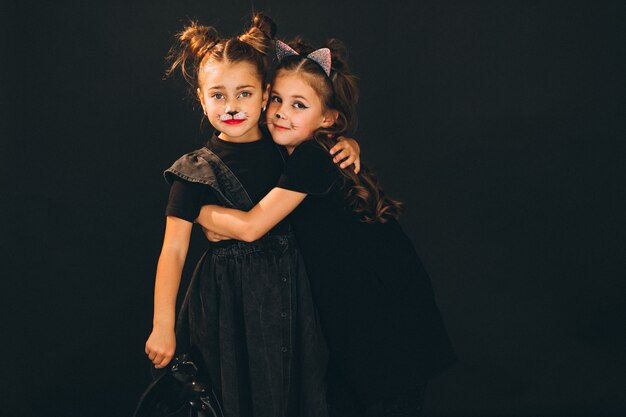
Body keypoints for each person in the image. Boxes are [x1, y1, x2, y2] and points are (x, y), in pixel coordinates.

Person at [195, 38, 457, 417]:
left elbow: (252, 227)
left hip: (384, 309)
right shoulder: (285, 153)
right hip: (350, 309)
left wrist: (199, 211)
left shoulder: (313, 156)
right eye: (277, 101)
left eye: (299, 105)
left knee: (387, 397)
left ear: (329, 118)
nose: (282, 113)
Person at [143, 15, 361, 417]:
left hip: (293, 295)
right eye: (218, 96)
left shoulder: (287, 148)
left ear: (264, 96)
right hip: (227, 305)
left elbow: (321, 139)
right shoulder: (192, 172)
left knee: (297, 390)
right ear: (201, 98)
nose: (231, 107)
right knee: (235, 395)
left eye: (244, 94)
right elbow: (172, 251)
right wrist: (163, 325)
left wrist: (347, 142)